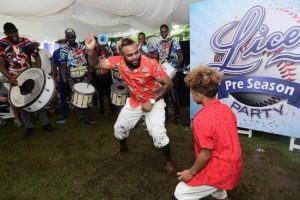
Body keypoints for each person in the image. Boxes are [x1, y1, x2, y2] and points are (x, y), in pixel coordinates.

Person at [86, 35, 176, 173]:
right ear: (121, 56)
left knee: (158, 134)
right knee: (119, 128)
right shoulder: (118, 62)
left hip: (154, 100)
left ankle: (169, 161)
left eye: (136, 53)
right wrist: (91, 50)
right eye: (129, 55)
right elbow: (95, 64)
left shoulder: (151, 64)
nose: (135, 57)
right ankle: (123, 148)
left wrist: (152, 101)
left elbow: (168, 84)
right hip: (135, 100)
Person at [174, 66, 243, 200]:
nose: (191, 94)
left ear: (198, 95)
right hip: (234, 164)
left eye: (191, 92)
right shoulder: (226, 109)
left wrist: (191, 172)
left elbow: (206, 153)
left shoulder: (200, 119)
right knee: (218, 191)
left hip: (219, 169)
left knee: (181, 193)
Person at [0, 22, 54, 136]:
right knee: (22, 102)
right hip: (14, 79)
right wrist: (10, 78)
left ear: (17, 30)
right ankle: (29, 126)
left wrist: (39, 71)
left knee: (36, 97)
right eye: (10, 33)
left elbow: (36, 56)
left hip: (28, 76)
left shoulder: (27, 42)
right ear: (6, 34)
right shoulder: (2, 43)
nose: (13, 34)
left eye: (14, 31)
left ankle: (45, 123)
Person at [60, 28, 95, 126]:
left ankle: (88, 116)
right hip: (72, 77)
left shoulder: (82, 47)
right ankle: (82, 118)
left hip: (84, 76)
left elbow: (88, 60)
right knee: (78, 97)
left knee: (87, 95)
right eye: (69, 37)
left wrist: (90, 73)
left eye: (72, 36)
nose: (71, 38)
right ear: (66, 38)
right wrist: (63, 77)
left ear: (75, 37)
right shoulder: (64, 50)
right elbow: (63, 65)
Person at [155, 24, 183, 124]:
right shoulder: (158, 45)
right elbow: (156, 59)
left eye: (165, 31)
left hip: (173, 73)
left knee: (173, 95)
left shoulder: (174, 42)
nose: (163, 34)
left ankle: (178, 117)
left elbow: (181, 57)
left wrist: (175, 68)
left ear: (168, 31)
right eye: (161, 32)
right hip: (163, 73)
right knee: (164, 96)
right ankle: (165, 116)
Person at [91, 35, 115, 115]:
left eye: (98, 41)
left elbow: (111, 59)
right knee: (99, 95)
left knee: (109, 93)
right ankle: (101, 110)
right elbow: (92, 63)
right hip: (97, 77)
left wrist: (103, 48)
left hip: (107, 76)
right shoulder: (93, 52)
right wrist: (97, 51)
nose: (98, 43)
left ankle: (112, 108)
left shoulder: (107, 49)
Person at [52, 38, 70, 124]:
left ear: (67, 42)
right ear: (58, 43)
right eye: (61, 42)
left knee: (75, 94)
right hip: (62, 77)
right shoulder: (56, 53)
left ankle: (80, 111)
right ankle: (65, 113)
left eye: (64, 41)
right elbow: (54, 66)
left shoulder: (72, 50)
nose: (63, 43)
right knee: (62, 96)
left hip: (74, 76)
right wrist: (55, 77)